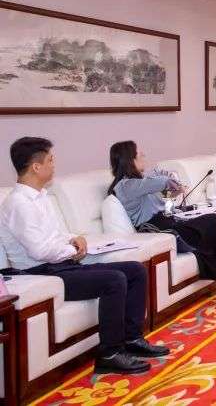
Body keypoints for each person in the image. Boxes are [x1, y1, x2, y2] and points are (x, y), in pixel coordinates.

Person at [0, 137, 169, 375]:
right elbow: (39, 251)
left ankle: (132, 339)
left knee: (135, 270)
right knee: (114, 280)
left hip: (60, 265)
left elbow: (55, 235)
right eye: (50, 160)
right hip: (41, 272)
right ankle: (109, 354)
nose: (54, 165)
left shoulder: (40, 197)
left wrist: (74, 238)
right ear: (36, 167)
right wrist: (74, 249)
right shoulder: (19, 204)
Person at [108, 141, 216, 300]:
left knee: (214, 221)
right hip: (158, 229)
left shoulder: (138, 184)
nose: (143, 155)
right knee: (213, 221)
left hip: (168, 221)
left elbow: (163, 200)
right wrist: (168, 179)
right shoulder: (126, 186)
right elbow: (161, 181)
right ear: (130, 159)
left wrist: (173, 191)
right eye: (139, 153)